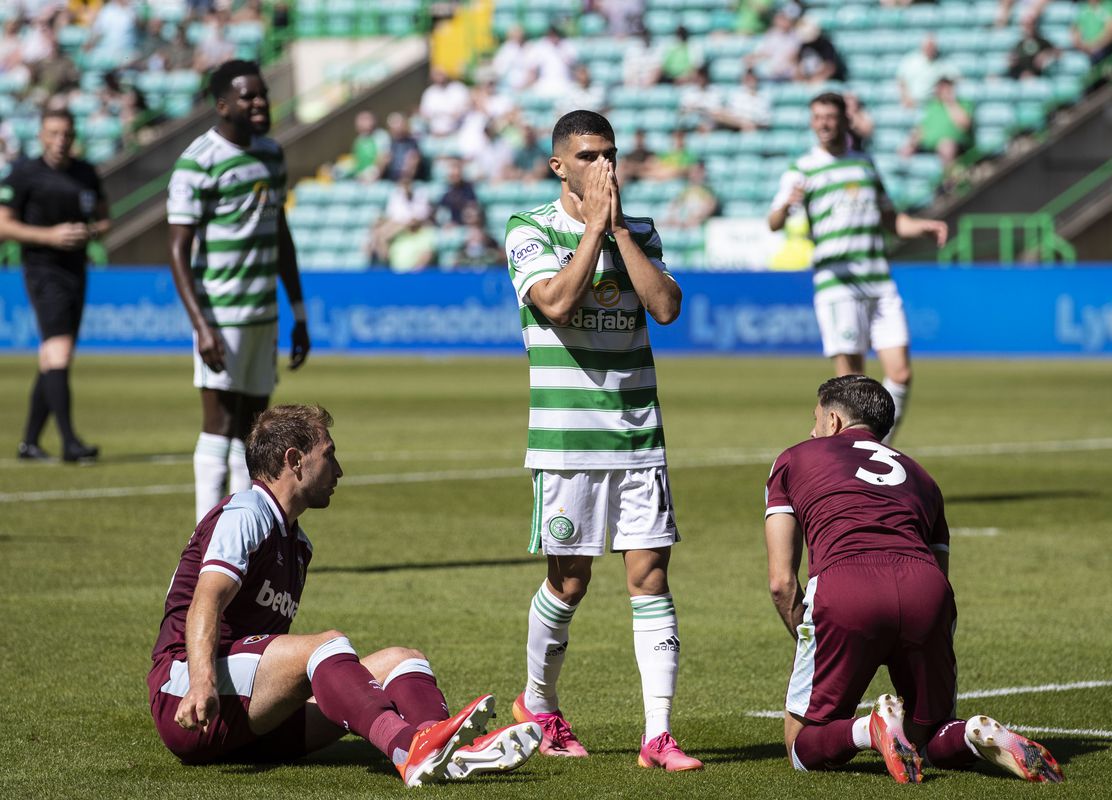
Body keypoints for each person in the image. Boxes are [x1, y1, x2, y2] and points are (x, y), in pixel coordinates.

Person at [147, 404, 541, 785]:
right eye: (329, 455)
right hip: (188, 697)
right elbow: (207, 600)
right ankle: (408, 749)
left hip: (249, 719)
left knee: (404, 660)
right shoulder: (246, 513)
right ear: (295, 460)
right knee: (326, 645)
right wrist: (201, 684)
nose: (339, 470)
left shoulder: (298, 545)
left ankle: (444, 748)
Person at [504, 109, 702, 771]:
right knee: (569, 583)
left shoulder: (638, 229)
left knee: (649, 577)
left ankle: (658, 735)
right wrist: (593, 228)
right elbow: (557, 303)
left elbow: (667, 307)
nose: (603, 168)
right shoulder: (528, 229)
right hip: (567, 442)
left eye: (609, 154)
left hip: (638, 434)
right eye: (589, 156)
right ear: (559, 164)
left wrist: (616, 228)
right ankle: (538, 703)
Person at [764, 375, 1064, 784]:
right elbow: (941, 579)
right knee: (930, 734)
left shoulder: (795, 458)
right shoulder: (923, 478)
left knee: (801, 746)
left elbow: (782, 582)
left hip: (846, 588)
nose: (811, 429)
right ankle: (971, 735)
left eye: (815, 420)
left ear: (833, 421)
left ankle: (867, 729)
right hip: (926, 590)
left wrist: (812, 634)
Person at [167, 60, 310, 523]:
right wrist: (201, 325)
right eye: (247, 96)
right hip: (222, 318)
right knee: (219, 426)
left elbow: (281, 234)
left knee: (254, 433)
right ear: (223, 105)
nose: (259, 103)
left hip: (263, 315)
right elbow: (177, 251)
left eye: (262, 93)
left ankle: (244, 532)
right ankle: (204, 541)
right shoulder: (197, 161)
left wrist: (298, 312)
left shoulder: (272, 153)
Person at [767, 93, 947, 443]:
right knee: (851, 384)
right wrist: (787, 206)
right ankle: (845, 460)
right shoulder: (802, 169)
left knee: (901, 373)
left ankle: (876, 449)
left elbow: (893, 220)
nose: (823, 123)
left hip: (879, 280)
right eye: (817, 116)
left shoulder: (864, 165)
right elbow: (773, 222)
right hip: (839, 285)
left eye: (830, 117)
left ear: (845, 121)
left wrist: (922, 226)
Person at [0, 109, 108, 463]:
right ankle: (70, 443)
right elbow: (4, 225)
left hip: (76, 269)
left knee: (53, 358)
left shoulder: (85, 172)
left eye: (66, 133)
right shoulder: (24, 173)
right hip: (42, 269)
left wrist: (88, 231)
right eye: (53, 133)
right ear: (41, 136)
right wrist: (49, 235)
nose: (60, 140)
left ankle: (29, 443)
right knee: (59, 351)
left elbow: (105, 217)